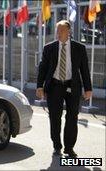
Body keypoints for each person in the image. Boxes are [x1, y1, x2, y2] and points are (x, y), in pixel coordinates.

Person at [36, 20, 92, 158]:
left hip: (72, 86)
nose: (58, 33)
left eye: (61, 30)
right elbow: (42, 69)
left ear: (69, 32)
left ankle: (69, 148)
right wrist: (39, 86)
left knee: (72, 117)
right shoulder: (49, 48)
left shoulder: (79, 48)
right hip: (54, 86)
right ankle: (57, 146)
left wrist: (88, 88)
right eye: (57, 30)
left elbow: (84, 69)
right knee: (55, 117)